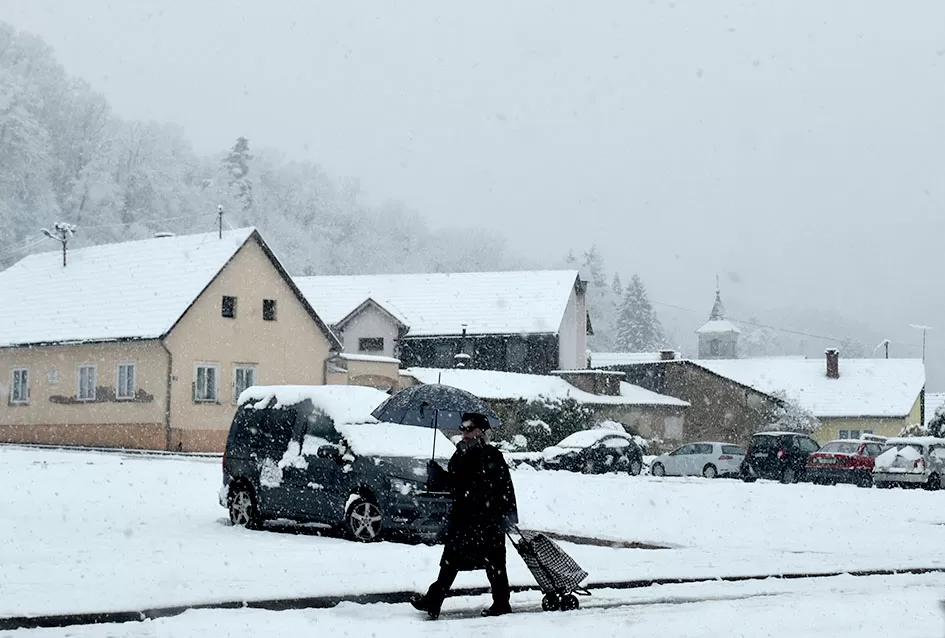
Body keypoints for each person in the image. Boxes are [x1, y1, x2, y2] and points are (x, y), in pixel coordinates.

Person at [411, 411, 518, 620]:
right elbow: (455, 482)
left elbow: (502, 486)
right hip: (464, 518)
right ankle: (434, 600)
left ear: (480, 431)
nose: (464, 432)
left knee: (494, 563)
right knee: (451, 559)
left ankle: (501, 602)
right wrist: (437, 475)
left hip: (486, 519)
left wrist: (505, 514)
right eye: (462, 428)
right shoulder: (460, 452)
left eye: (469, 428)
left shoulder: (490, 454)